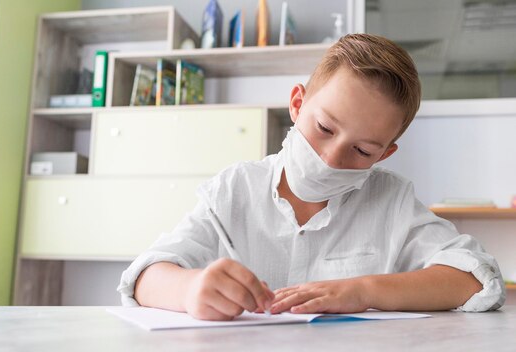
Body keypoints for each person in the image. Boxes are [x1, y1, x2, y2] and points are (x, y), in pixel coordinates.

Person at [117, 34, 506, 321]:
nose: (330, 157)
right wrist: (190, 290)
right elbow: (145, 277)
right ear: (298, 104)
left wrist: (363, 291)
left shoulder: (391, 199)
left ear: (385, 154)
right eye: (324, 127)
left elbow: (475, 277)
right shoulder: (235, 189)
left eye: (363, 151)